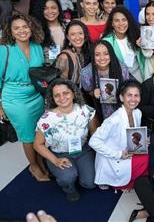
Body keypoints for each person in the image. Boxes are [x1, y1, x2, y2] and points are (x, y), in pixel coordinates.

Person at [0, 13, 49, 181]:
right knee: (28, 135)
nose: (22, 31)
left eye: (25, 26)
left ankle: (40, 160)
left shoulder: (37, 47)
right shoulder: (4, 50)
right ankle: (34, 167)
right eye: (17, 28)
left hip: (36, 96)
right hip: (15, 99)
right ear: (11, 32)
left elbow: (40, 74)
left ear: (31, 27)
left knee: (39, 131)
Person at [33, 79, 98, 201]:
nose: (62, 97)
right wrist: (55, 160)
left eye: (66, 93)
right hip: (59, 154)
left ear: (73, 93)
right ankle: (69, 187)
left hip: (83, 150)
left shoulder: (86, 110)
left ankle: (79, 173)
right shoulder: (47, 119)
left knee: (90, 183)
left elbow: (94, 131)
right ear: (53, 98)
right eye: (57, 95)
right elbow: (37, 145)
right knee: (68, 177)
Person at [89, 80, 148, 189]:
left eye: (136, 95)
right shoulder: (114, 119)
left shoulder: (137, 113)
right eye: (129, 95)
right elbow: (93, 141)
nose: (133, 99)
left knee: (152, 154)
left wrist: (143, 141)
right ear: (121, 97)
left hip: (128, 153)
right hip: (113, 159)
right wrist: (118, 154)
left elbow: (131, 137)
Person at [80, 40, 131, 121]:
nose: (102, 58)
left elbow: (128, 88)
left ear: (111, 54)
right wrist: (93, 93)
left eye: (106, 54)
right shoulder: (86, 72)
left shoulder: (122, 68)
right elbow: (87, 91)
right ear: (92, 56)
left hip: (120, 108)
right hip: (97, 110)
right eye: (97, 55)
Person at [102, 6, 147, 82]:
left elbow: (145, 58)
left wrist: (143, 47)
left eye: (124, 20)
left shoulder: (136, 36)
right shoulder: (107, 41)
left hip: (140, 77)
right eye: (117, 21)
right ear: (112, 23)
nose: (121, 24)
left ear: (128, 21)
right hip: (120, 79)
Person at [55, 20, 91, 85]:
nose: (77, 38)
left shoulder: (90, 51)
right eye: (72, 34)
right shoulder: (64, 57)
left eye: (80, 33)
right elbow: (60, 83)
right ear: (68, 37)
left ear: (85, 35)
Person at [31, 0, 65, 64]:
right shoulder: (38, 31)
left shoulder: (68, 26)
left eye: (53, 8)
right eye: (45, 8)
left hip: (71, 68)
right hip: (50, 70)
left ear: (59, 9)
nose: (50, 11)